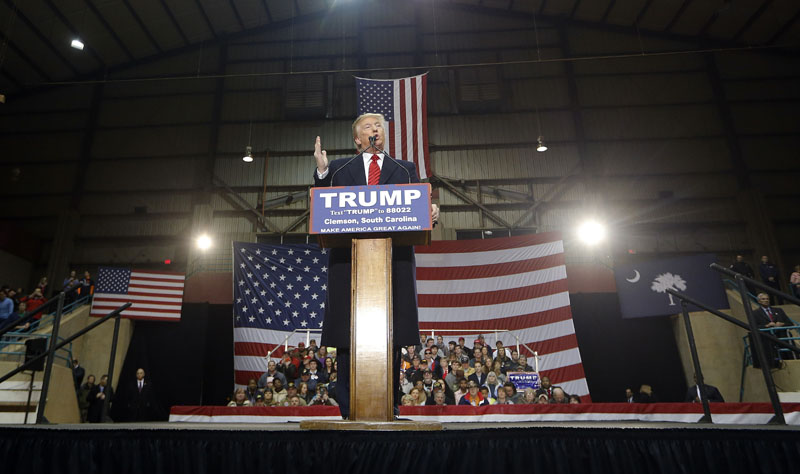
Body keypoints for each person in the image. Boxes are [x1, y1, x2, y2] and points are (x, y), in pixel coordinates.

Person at [312, 113, 439, 418]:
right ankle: (347, 408)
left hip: (392, 262)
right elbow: (322, 195)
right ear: (357, 139)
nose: (374, 130)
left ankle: (389, 407)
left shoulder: (403, 169)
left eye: (378, 126)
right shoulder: (340, 168)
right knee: (347, 336)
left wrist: (430, 210)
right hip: (349, 263)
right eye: (367, 127)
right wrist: (321, 169)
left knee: (390, 334)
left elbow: (418, 206)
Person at [753, 292, 796, 362]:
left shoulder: (779, 310)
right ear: (759, 301)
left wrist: (782, 324)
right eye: (763, 299)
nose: (766, 300)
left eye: (767, 299)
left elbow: (790, 324)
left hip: (783, 339)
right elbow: (754, 327)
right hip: (769, 340)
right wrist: (767, 326)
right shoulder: (755, 313)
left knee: (789, 357)